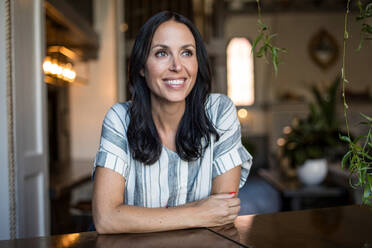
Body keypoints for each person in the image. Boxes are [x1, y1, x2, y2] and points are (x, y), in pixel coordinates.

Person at [92, 11, 252, 234]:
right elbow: (106, 219)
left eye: (187, 52)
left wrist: (134, 217)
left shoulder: (219, 112)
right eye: (161, 53)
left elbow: (222, 214)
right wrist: (198, 212)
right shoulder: (120, 119)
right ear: (141, 66)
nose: (177, 66)